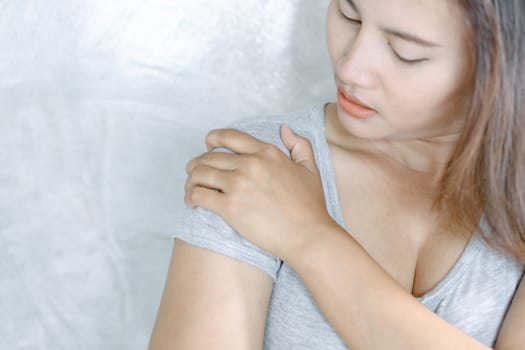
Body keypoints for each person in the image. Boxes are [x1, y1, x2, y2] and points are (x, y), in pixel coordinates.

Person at [149, 0, 525, 349]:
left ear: (500, 68)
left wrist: (310, 236)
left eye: (405, 52)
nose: (350, 69)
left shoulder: (517, 200)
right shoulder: (258, 169)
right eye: (349, 14)